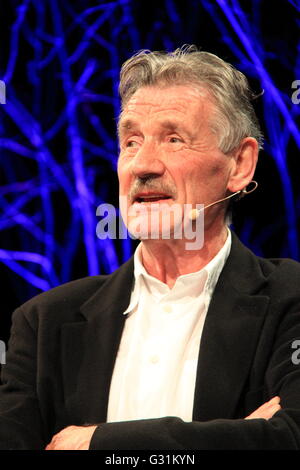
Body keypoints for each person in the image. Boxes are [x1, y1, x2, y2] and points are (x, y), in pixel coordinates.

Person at [1, 45, 300, 450]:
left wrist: (96, 445)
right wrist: (238, 438)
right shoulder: (43, 323)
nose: (143, 165)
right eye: (131, 142)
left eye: (173, 139)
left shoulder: (290, 299)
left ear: (240, 165)